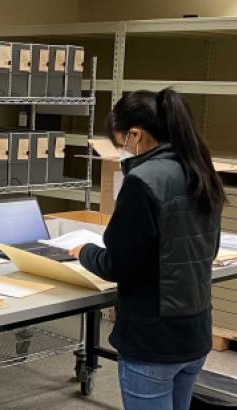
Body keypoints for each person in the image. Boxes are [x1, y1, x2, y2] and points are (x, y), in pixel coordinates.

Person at [69, 88, 225, 410]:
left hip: (154, 340)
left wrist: (84, 251)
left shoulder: (144, 181)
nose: (120, 152)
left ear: (135, 135)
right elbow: (208, 249)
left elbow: (117, 265)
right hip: (195, 333)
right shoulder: (201, 170)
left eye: (119, 142)